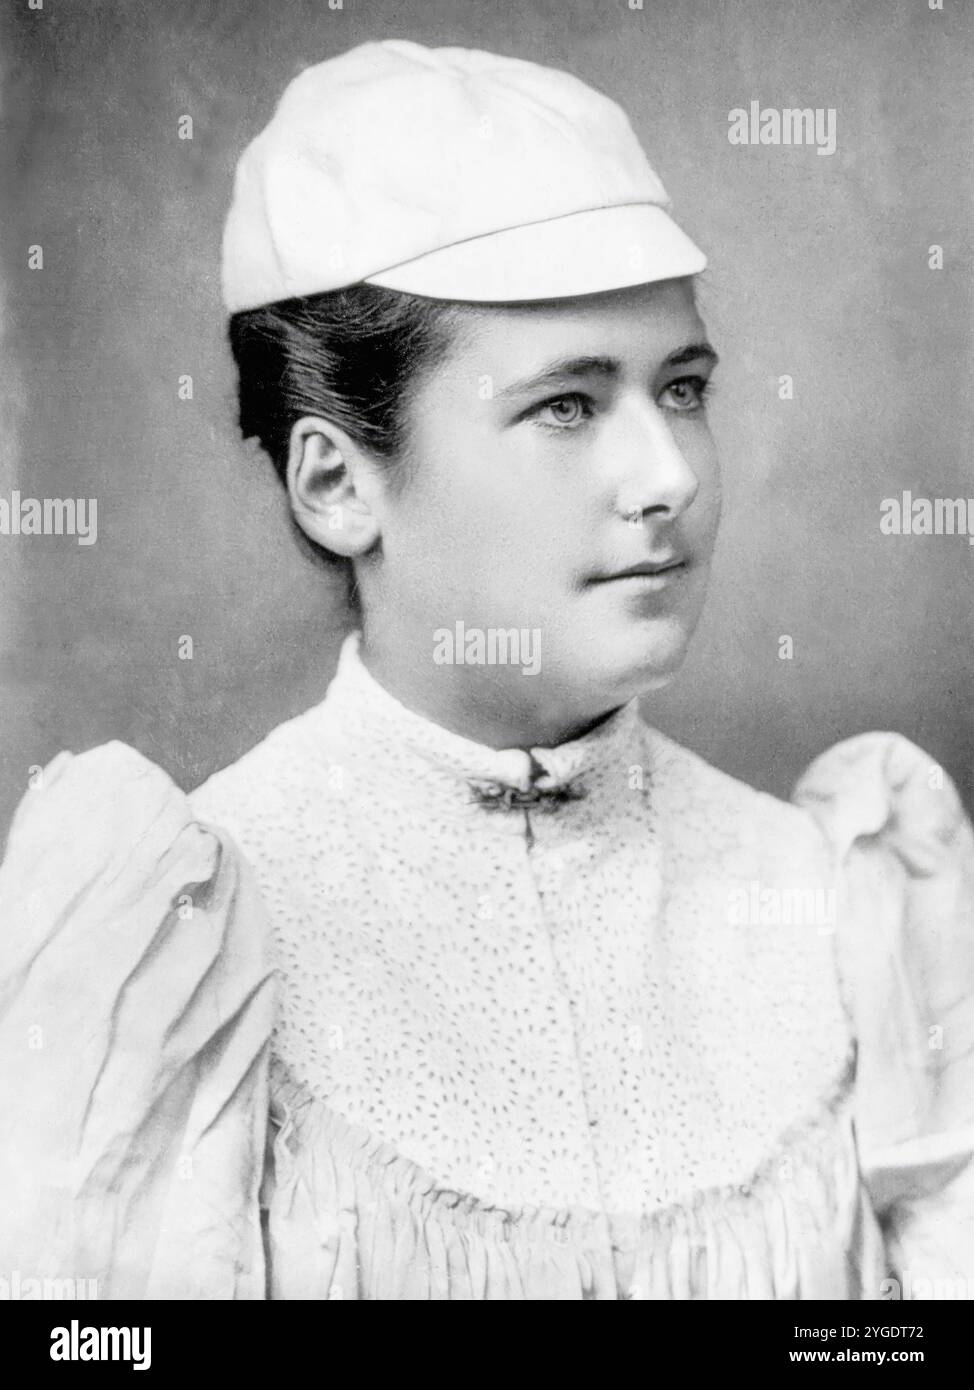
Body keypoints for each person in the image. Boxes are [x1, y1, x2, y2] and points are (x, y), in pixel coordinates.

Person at [2, 38, 973, 1301]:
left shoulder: (840, 902)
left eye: (681, 390)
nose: (669, 475)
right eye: (565, 406)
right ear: (340, 483)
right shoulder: (170, 951)